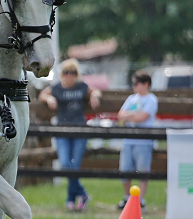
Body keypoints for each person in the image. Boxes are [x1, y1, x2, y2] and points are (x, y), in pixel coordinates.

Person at [39, 59, 102, 211]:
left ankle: (71, 200)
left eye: (73, 73)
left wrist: (94, 96)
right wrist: (49, 98)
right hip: (62, 131)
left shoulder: (81, 86)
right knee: (65, 164)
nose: (70, 76)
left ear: (77, 74)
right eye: (67, 72)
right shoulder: (57, 88)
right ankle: (82, 194)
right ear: (62, 74)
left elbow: (95, 91)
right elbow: (43, 94)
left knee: (74, 165)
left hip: (80, 130)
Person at [117, 70, 158, 210]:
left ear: (146, 84)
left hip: (144, 141)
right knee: (124, 170)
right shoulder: (131, 98)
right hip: (128, 140)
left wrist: (130, 116)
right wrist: (134, 116)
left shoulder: (151, 99)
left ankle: (141, 200)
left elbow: (143, 117)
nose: (134, 86)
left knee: (143, 170)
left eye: (137, 83)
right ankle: (127, 198)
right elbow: (120, 115)